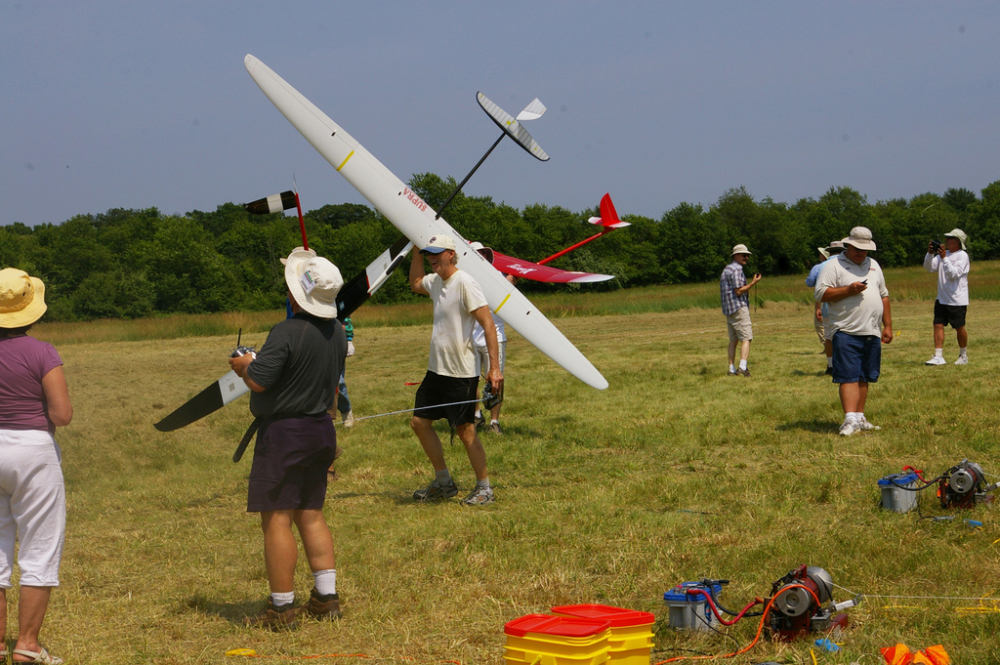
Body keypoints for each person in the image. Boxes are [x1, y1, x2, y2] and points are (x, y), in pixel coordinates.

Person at [229, 248, 347, 630]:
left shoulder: (285, 330)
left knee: (277, 519)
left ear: (296, 294)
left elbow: (260, 380)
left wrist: (244, 365)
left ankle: (281, 608)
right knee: (311, 514)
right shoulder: (337, 333)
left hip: (285, 434)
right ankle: (326, 597)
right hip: (320, 429)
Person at [0, 268, 72, 665]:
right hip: (33, 451)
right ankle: (27, 645)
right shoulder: (43, 352)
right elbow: (61, 415)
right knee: (39, 548)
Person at [408, 234, 502, 506]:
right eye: (428, 253)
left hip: (461, 372)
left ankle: (484, 488)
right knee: (419, 423)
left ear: (451, 253)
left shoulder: (465, 282)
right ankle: (444, 482)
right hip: (436, 369)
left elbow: (488, 325)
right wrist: (415, 253)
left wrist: (494, 368)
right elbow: (415, 283)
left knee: (465, 431)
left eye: (436, 253)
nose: (431, 258)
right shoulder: (436, 282)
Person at [814, 227, 892, 436]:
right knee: (848, 375)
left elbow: (884, 295)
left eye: (865, 249)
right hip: (846, 330)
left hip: (871, 331)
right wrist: (848, 290)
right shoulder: (833, 265)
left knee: (864, 375)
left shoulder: (874, 265)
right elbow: (821, 293)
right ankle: (849, 420)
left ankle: (860, 417)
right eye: (858, 248)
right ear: (848, 245)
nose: (861, 253)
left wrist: (888, 326)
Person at [923, 229, 970, 366]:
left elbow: (953, 274)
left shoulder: (962, 256)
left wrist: (944, 258)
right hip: (941, 298)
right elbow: (929, 268)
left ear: (957, 241)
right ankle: (938, 356)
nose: (947, 240)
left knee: (959, 327)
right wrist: (930, 254)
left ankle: (963, 355)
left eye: (950, 238)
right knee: (937, 325)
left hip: (957, 299)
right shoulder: (944, 254)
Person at [720, 244, 762, 377]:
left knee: (733, 340)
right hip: (738, 308)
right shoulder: (737, 270)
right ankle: (742, 367)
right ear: (736, 256)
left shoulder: (727, 269)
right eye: (744, 255)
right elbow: (738, 291)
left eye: (748, 255)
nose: (747, 257)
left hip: (728, 310)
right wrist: (753, 283)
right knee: (747, 337)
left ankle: (731, 369)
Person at [805, 241, 845, 375]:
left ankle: (831, 365)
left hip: (828, 307)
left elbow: (810, 282)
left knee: (829, 337)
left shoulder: (821, 266)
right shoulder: (848, 264)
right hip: (847, 307)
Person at [337, 317, 355, 427]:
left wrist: (348, 339)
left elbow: (345, 312)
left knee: (337, 380)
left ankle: (346, 410)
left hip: (335, 337)